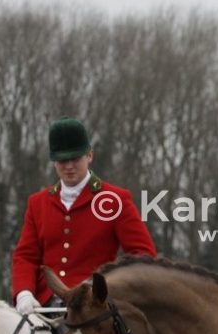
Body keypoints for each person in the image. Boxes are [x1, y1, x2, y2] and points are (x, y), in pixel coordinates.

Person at [12, 116, 157, 314]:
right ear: (54, 162)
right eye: (62, 160)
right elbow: (26, 256)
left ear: (89, 155)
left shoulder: (115, 199)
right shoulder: (38, 203)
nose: (69, 166)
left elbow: (142, 255)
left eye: (75, 158)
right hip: (43, 305)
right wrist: (24, 293)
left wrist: (107, 286)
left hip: (93, 309)